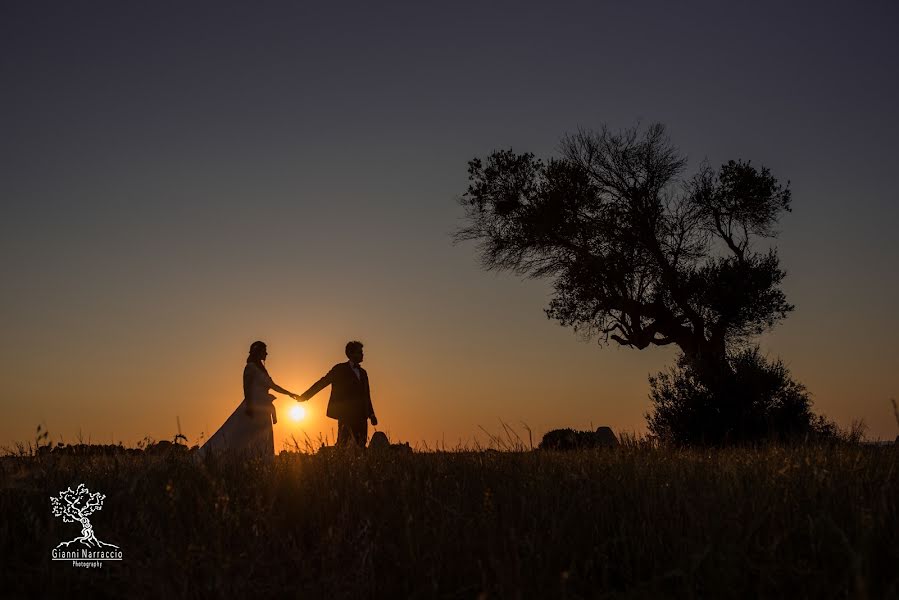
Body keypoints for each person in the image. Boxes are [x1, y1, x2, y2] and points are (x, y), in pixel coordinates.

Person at [198, 341, 299, 458]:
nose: (267, 353)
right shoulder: (250, 368)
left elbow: (273, 385)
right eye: (264, 351)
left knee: (262, 438)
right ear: (258, 352)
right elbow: (246, 387)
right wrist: (250, 406)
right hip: (253, 408)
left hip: (264, 409)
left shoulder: (262, 370)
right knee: (242, 436)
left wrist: (289, 394)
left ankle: (260, 462)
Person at [298, 340, 377, 447]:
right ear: (351, 354)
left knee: (361, 445)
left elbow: (367, 395)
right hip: (346, 414)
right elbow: (323, 382)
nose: (362, 354)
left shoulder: (363, 373)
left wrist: (371, 414)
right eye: (360, 352)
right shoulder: (339, 369)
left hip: (362, 416)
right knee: (343, 444)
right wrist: (305, 396)